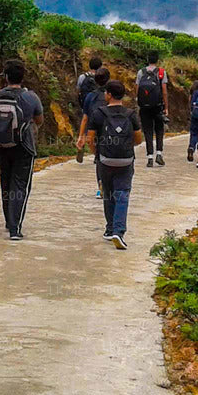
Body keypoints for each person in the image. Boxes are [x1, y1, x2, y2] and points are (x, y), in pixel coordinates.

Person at [0, 59, 45, 241]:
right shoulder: (31, 97)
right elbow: (39, 120)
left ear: (6, 77)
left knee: (6, 180)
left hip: (2, 145)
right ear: (22, 77)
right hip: (24, 146)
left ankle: (8, 220)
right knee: (20, 185)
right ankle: (15, 228)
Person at [85, 80, 143, 250]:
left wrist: (98, 153)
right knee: (122, 193)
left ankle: (110, 229)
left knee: (108, 193)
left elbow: (90, 139)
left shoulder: (98, 114)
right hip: (125, 160)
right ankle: (119, 231)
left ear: (108, 95)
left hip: (105, 160)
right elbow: (138, 139)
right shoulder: (131, 114)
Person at [75, 67, 110, 198]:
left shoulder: (90, 96)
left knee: (99, 158)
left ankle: (100, 185)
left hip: (94, 131)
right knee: (109, 157)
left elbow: (85, 118)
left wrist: (81, 136)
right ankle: (109, 185)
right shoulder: (110, 95)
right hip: (110, 131)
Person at [135, 52, 169, 167]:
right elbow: (164, 91)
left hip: (144, 106)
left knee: (148, 130)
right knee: (159, 129)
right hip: (158, 106)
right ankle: (159, 153)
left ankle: (149, 157)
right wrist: (166, 107)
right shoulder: (161, 72)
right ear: (157, 60)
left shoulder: (141, 72)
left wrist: (139, 102)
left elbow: (137, 89)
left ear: (147, 60)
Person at [75, 56, 102, 163]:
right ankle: (97, 154)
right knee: (98, 131)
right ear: (100, 67)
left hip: (86, 105)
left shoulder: (82, 77)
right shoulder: (100, 77)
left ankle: (81, 143)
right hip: (99, 108)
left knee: (86, 127)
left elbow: (78, 90)